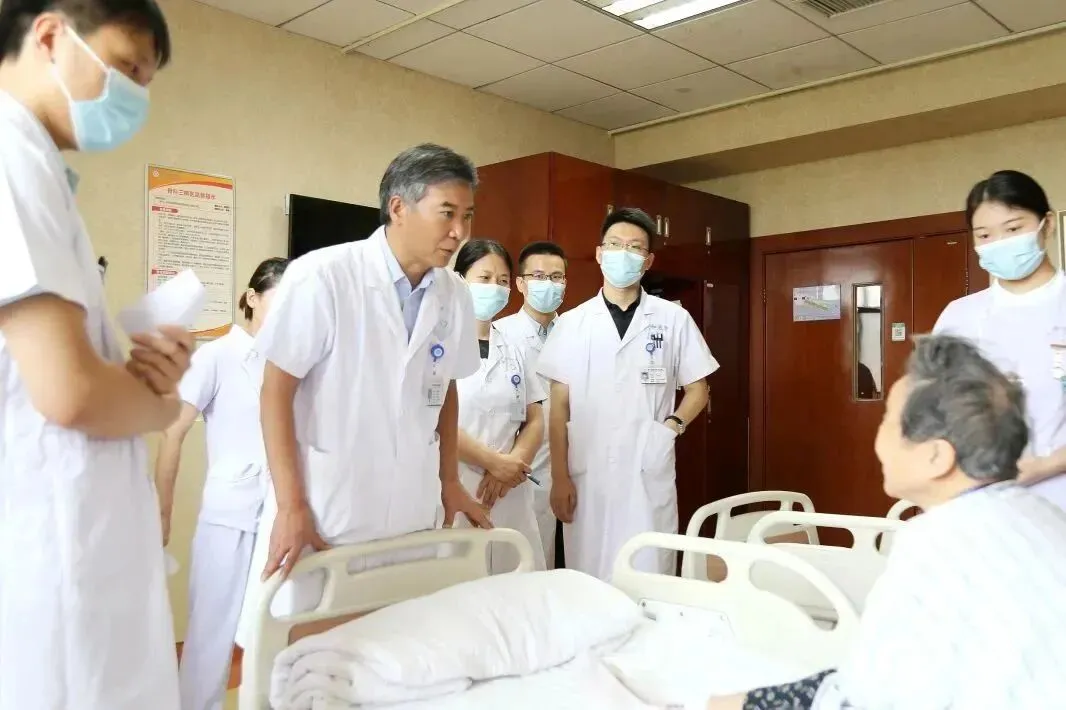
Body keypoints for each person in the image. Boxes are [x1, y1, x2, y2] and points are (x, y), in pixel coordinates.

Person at [707, 335, 1066, 709]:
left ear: (936, 457)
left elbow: (869, 701)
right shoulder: (1039, 514)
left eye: (887, 421)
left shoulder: (935, 545)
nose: (877, 439)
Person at [0, 2, 188, 709]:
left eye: (146, 81)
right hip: (48, 551)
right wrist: (159, 404)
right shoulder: (10, 153)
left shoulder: (36, 167)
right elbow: (70, 393)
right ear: (51, 36)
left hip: (64, 542)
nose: (135, 96)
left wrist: (138, 379)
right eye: (127, 67)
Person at [235, 144, 490, 645]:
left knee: (396, 654)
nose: (460, 232)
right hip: (328, 507)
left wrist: (448, 480)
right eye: (447, 213)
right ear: (398, 207)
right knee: (307, 656)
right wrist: (290, 505)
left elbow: (445, 388)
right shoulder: (324, 275)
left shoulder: (454, 293)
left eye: (467, 216)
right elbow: (275, 392)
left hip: (411, 509)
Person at [537, 207, 718, 580]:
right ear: (600, 254)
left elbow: (698, 389)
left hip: (646, 466)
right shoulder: (573, 323)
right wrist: (560, 477)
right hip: (588, 472)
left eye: (635, 247)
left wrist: (671, 426)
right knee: (590, 577)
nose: (624, 253)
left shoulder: (673, 319)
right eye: (616, 245)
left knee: (649, 574)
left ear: (648, 261)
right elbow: (558, 407)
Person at [154, 257, 289, 710]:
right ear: (252, 297)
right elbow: (172, 433)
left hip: (278, 519)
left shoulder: (290, 363)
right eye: (281, 299)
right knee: (210, 638)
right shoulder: (216, 356)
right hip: (229, 516)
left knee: (272, 631)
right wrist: (162, 512)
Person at [933, 170, 1066, 509]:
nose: (1000, 243)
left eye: (1013, 229)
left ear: (1048, 225)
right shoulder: (959, 316)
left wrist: (1045, 466)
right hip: (980, 507)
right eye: (985, 235)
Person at [454, 239, 547, 572]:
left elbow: (535, 417)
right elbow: (435, 419)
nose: (495, 287)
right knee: (459, 588)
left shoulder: (513, 346)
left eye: (503, 280)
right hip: (459, 483)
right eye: (484, 278)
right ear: (459, 280)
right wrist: (494, 463)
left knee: (516, 585)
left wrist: (511, 467)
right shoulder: (439, 343)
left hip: (509, 491)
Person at [495, 240, 567, 568]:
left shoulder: (578, 330)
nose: (548, 284)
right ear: (521, 284)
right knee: (529, 565)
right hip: (526, 471)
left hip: (577, 468)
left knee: (578, 567)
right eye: (538, 276)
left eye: (556, 277)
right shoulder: (501, 334)